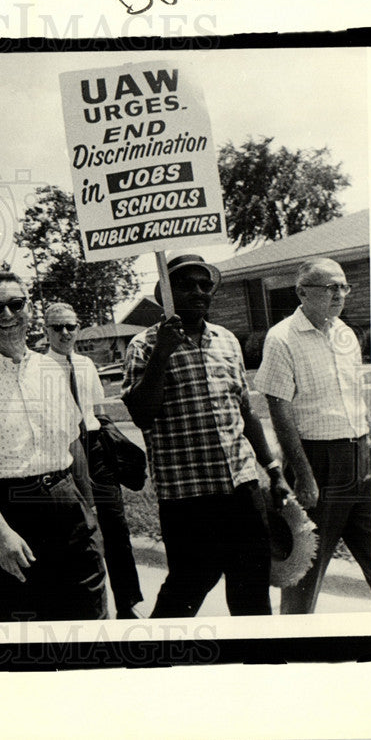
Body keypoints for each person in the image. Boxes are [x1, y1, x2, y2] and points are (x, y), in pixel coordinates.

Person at [0, 271, 107, 622]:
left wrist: (91, 513)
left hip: (69, 507)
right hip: (7, 516)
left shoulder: (49, 369)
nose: (7, 315)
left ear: (30, 309)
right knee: (21, 643)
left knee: (89, 624)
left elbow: (73, 446)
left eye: (16, 304)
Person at [121, 254, 288, 618]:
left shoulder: (227, 341)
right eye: (186, 284)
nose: (198, 291)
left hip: (242, 490)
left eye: (204, 284)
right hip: (188, 497)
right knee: (186, 590)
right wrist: (162, 355)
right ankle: (153, 662)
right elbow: (140, 414)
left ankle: (255, 667)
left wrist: (273, 472)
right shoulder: (144, 345)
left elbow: (245, 412)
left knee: (252, 594)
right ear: (167, 293)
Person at [254, 257, 371, 613]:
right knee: (305, 569)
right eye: (329, 287)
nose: (339, 294)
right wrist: (304, 476)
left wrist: (368, 451)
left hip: (359, 459)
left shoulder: (346, 334)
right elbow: (279, 409)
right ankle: (295, 643)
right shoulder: (281, 339)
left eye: (343, 286)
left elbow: (354, 399)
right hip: (317, 463)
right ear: (302, 293)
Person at [43, 302, 144, 620]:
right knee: (77, 532)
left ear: (78, 328)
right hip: (61, 453)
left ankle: (128, 603)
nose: (64, 333)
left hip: (96, 449)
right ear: (46, 330)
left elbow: (99, 411)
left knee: (116, 525)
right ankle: (85, 610)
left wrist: (114, 447)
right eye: (57, 327)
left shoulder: (86, 365)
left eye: (70, 326)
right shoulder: (38, 368)